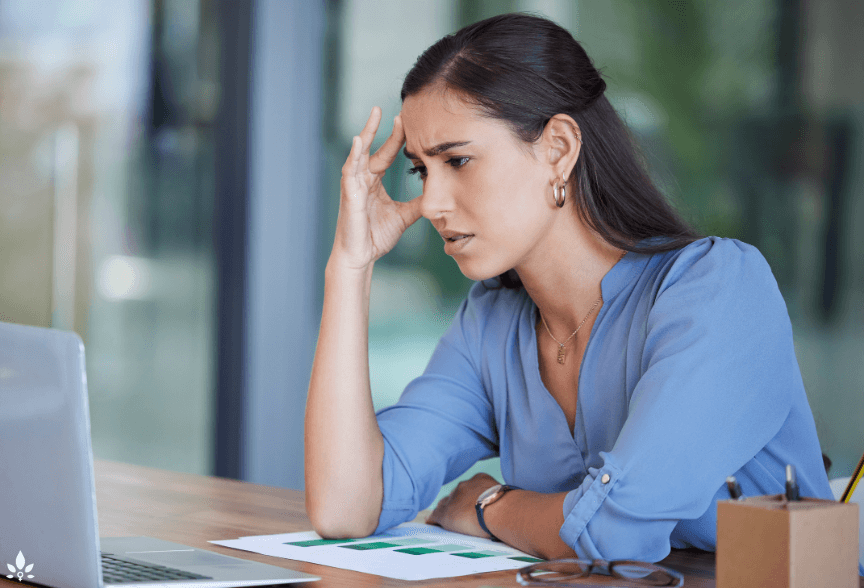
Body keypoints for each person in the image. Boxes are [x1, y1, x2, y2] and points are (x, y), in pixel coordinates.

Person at [304, 13, 833, 562]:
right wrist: (349, 265)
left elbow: (616, 534)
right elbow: (346, 505)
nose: (433, 203)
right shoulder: (492, 325)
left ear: (558, 148)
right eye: (421, 171)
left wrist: (492, 504)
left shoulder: (717, 291)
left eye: (457, 161)